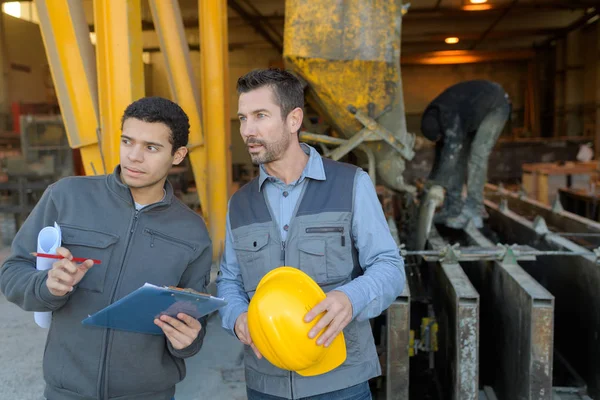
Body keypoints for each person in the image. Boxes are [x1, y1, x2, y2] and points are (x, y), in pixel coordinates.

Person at [0, 97, 212, 400]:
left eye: (151, 148)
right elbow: (12, 272)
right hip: (67, 392)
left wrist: (188, 340)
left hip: (148, 394)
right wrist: (46, 285)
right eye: (128, 141)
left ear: (178, 155)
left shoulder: (192, 231)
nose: (134, 157)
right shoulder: (66, 197)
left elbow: (195, 317)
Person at [216, 68, 405, 400]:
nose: (248, 130)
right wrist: (237, 318)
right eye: (243, 118)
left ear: (294, 120)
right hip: (266, 385)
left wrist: (351, 297)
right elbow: (229, 280)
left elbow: (389, 267)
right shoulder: (240, 203)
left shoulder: (351, 184)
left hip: (340, 382)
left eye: (260, 116)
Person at [421, 80, 510, 229]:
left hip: (495, 106)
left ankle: (474, 210)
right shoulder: (436, 117)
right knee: (458, 156)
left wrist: (439, 185)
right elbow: (443, 153)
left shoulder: (449, 117)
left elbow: (450, 154)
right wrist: (432, 181)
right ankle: (452, 208)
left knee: (477, 156)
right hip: (473, 112)